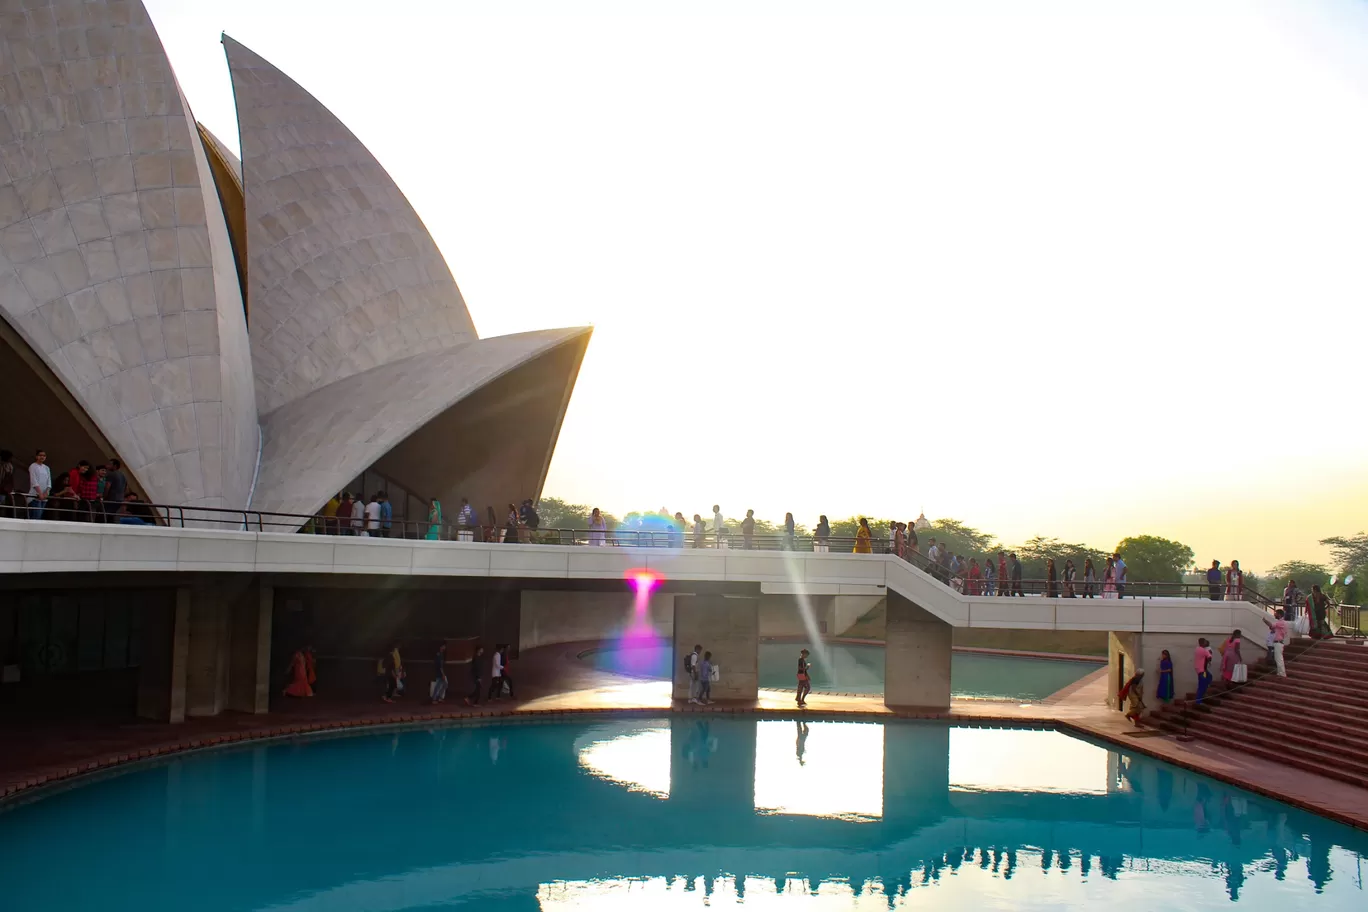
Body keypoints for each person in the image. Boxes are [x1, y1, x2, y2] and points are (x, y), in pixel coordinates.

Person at [1261, 610, 1288, 676]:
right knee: (1277, 658)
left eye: (1276, 613)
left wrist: (1265, 620)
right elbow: (1272, 627)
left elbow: (1271, 625)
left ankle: (1282, 673)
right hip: (1277, 643)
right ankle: (1279, 673)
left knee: (1279, 659)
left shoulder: (1281, 622)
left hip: (1279, 643)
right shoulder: (1279, 623)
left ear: (1279, 614)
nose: (1274, 615)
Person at [26, 449, 51, 520]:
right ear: (36, 456)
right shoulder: (33, 466)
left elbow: (49, 482)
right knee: (36, 516)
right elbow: (34, 481)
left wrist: (46, 492)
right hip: (35, 496)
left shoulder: (46, 468)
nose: (42, 457)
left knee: (40, 517)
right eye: (40, 455)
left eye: (44, 456)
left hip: (44, 496)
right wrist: (40, 493)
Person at [1194, 638, 1214, 704]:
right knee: (1202, 685)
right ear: (1203, 643)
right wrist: (1210, 653)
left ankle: (1205, 689)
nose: (1206, 643)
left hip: (1198, 668)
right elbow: (1210, 657)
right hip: (1202, 670)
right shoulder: (1204, 650)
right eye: (1205, 642)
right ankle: (1198, 700)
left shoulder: (1197, 649)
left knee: (1209, 677)